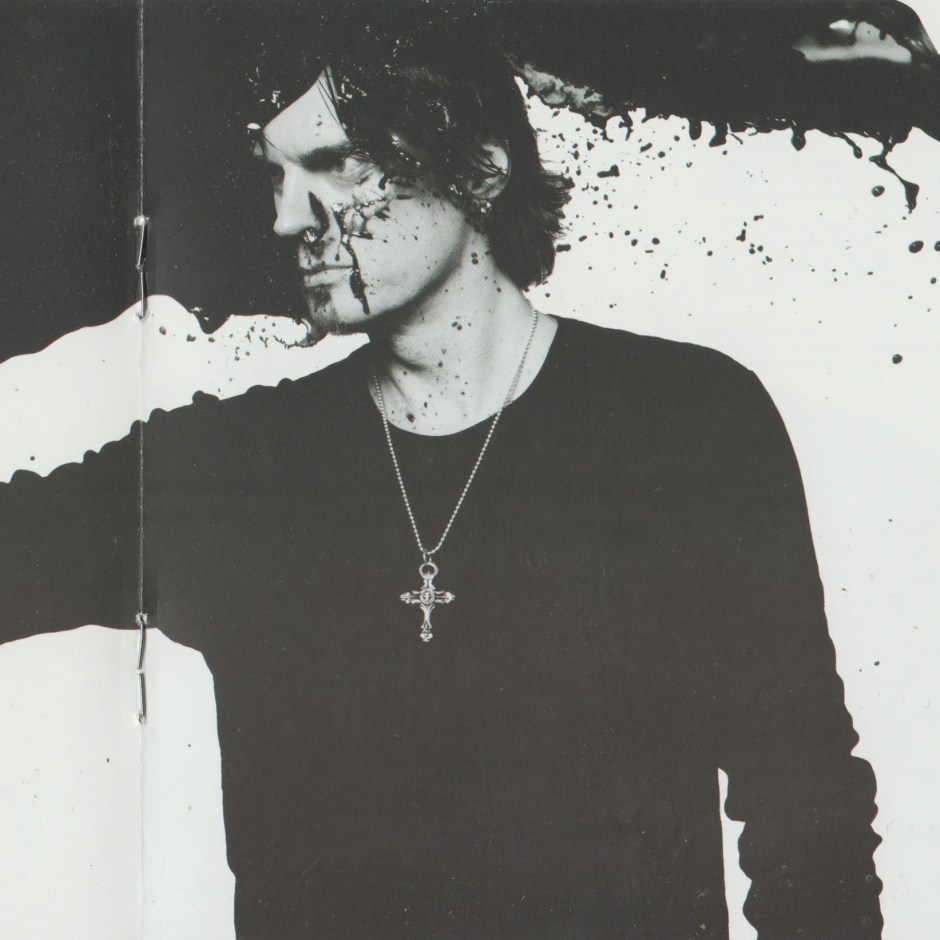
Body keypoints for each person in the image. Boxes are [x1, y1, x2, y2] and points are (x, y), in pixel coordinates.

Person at [1, 9, 882, 939]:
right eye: (274, 176)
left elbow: (808, 815)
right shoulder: (240, 471)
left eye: (338, 165)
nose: (287, 218)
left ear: (480, 169)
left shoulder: (685, 426)